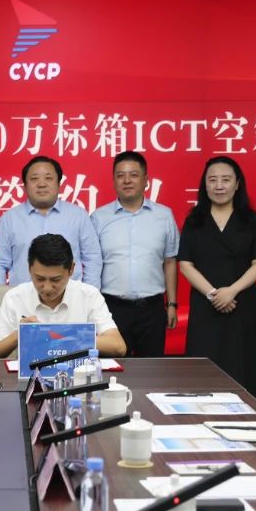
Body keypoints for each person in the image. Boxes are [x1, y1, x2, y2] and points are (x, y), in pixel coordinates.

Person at [177, 156, 256, 402]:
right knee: (204, 371)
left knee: (244, 368)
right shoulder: (194, 221)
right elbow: (185, 265)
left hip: (242, 305)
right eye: (213, 180)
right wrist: (213, 294)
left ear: (237, 184)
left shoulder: (250, 219)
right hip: (206, 306)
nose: (219, 186)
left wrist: (232, 291)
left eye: (226, 180)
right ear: (205, 185)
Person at [91, 151, 180, 357]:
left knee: (151, 369)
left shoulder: (164, 215)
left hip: (152, 309)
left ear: (145, 180)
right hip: (111, 308)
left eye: (133, 175)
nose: (127, 180)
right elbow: (92, 264)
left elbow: (170, 261)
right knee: (111, 368)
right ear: (114, 180)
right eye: (121, 175)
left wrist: (172, 304)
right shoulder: (98, 218)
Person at [0, 233, 126, 360]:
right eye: (39, 278)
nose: (47, 288)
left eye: (55, 280)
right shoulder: (15, 297)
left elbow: (118, 346)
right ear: (29, 269)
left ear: (71, 269)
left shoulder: (89, 295)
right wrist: (19, 335)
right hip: (31, 377)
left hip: (78, 376)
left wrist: (67, 337)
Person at [0, 155, 102, 287]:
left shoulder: (78, 216)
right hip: (23, 297)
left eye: (48, 178)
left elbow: (92, 259)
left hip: (70, 297)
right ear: (25, 185)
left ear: (59, 183)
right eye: (34, 179)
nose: (41, 184)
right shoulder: (9, 219)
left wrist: (88, 294)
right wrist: (1, 296)